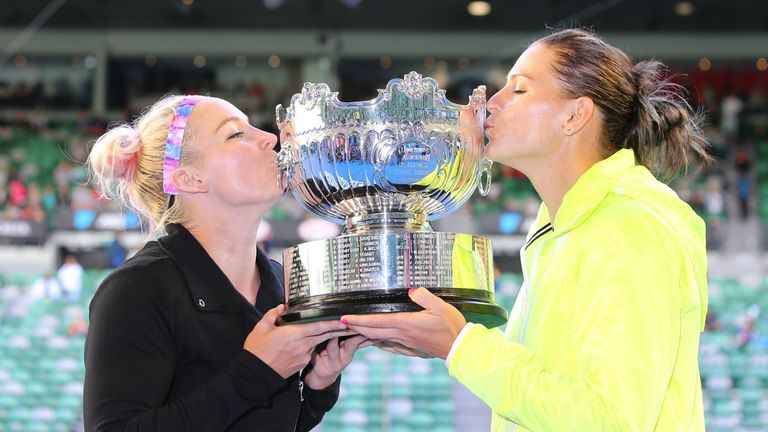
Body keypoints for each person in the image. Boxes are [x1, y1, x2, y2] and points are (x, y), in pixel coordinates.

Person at [342, 28, 710, 431]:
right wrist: (445, 342)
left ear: (574, 115)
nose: (490, 105)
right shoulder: (563, 228)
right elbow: (553, 387)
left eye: (518, 90)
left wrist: (461, 346)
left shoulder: (628, 227)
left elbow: (611, 419)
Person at [84, 95, 368, 431]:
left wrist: (320, 383)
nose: (270, 137)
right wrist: (257, 371)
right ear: (189, 178)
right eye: (235, 134)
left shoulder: (280, 281)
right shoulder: (138, 288)